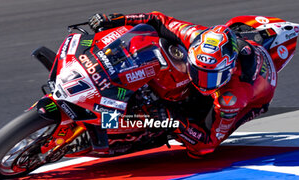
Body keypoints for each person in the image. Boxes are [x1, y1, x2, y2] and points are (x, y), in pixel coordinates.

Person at [88, 12, 277, 158]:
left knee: (184, 129)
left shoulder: (233, 97)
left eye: (210, 77)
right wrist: (119, 19)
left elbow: (207, 144)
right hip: (233, 56)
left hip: (249, 101)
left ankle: (118, 126)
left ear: (228, 70)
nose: (202, 82)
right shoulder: (195, 36)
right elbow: (157, 20)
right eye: (197, 72)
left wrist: (176, 120)